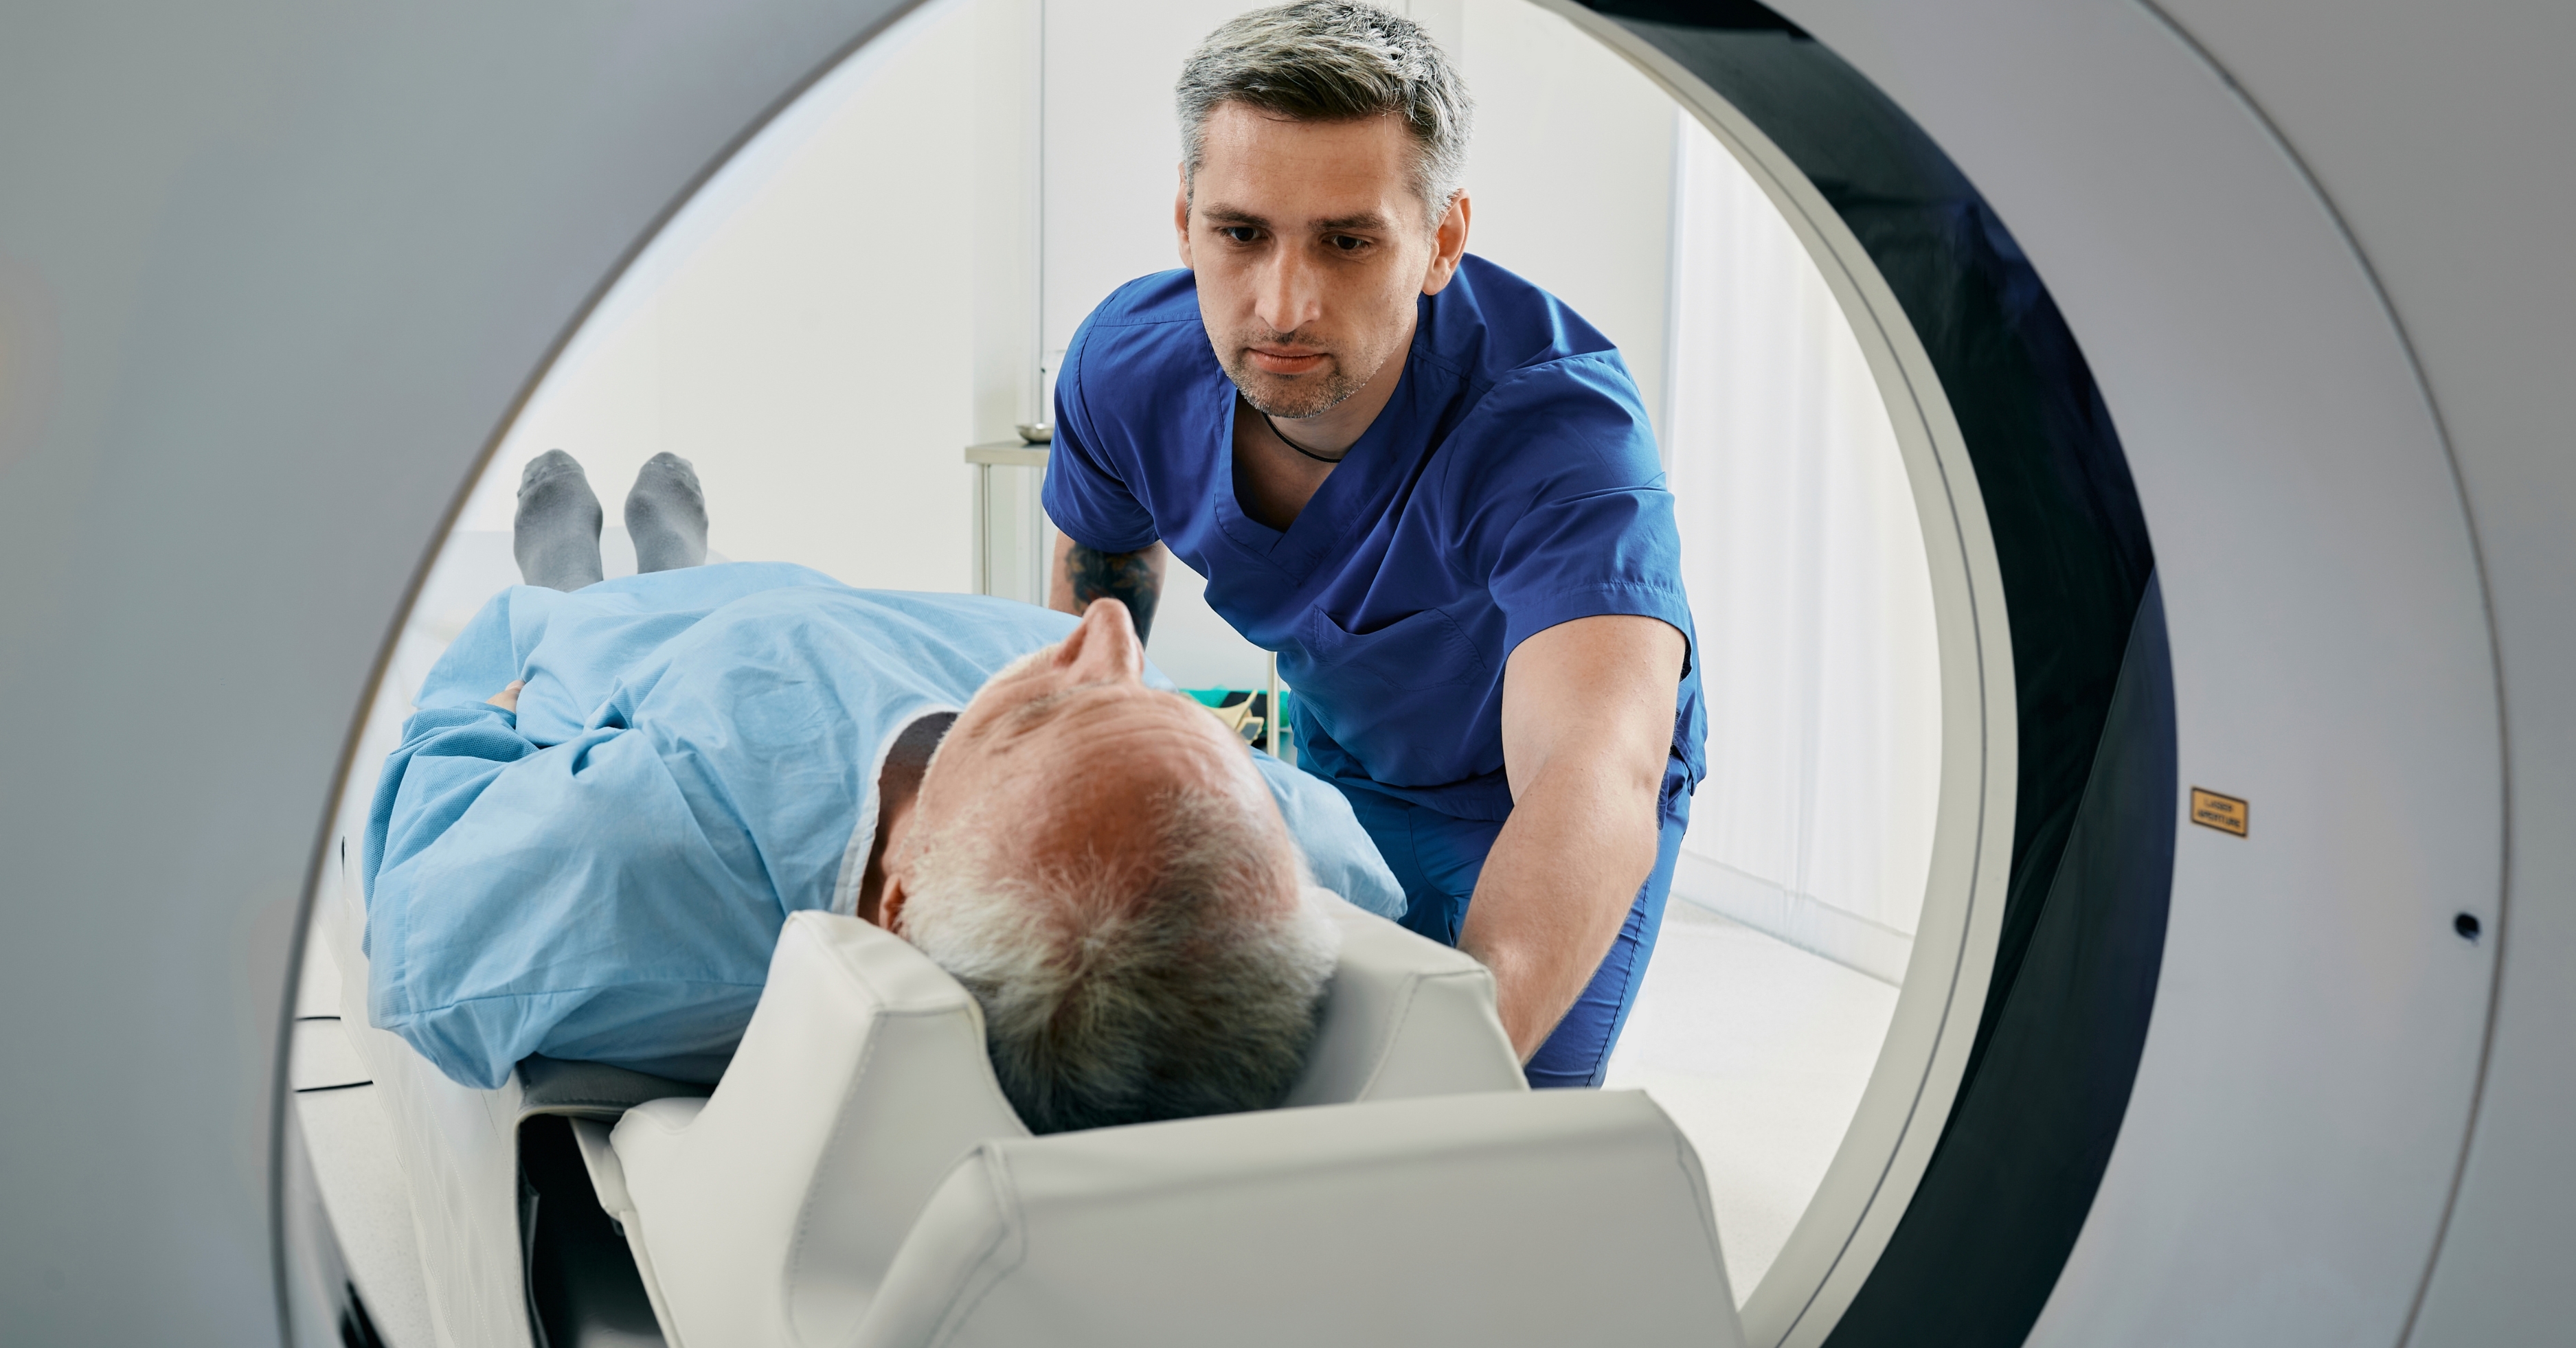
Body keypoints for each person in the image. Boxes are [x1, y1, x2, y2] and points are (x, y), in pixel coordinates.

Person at [1041, 2, 1703, 1088]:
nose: (1283, 305)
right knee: (1262, 1068)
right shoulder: (1126, 365)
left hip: (1533, 797)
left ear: (1440, 241)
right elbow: (1098, 590)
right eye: (1240, 233)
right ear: (1183, 219)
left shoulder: (1556, 429)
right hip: (1347, 759)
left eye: (1348, 242)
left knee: (1483, 1114)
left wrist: (1446, 1087)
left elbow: (1594, 765)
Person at [363, 450, 1403, 1134]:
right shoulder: (1303, 854)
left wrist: (486, 715)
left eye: (1045, 718)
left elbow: (421, 916)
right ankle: (682, 556)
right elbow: (1355, 870)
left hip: (649, 669)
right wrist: (1091, 719)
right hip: (854, 616)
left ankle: (565, 579)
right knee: (736, 576)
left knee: (573, 621)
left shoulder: (649, 864)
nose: (1109, 630)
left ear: (898, 902)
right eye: (1153, 704)